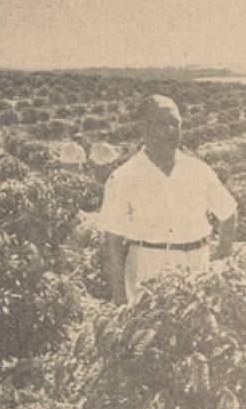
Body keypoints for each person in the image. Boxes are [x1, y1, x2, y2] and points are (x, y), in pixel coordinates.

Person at [98, 95, 237, 304]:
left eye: (175, 123)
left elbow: (228, 212)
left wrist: (220, 260)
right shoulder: (124, 177)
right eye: (162, 124)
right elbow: (112, 243)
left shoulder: (198, 170)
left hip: (198, 269)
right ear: (143, 128)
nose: (171, 130)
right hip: (149, 271)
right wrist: (119, 298)